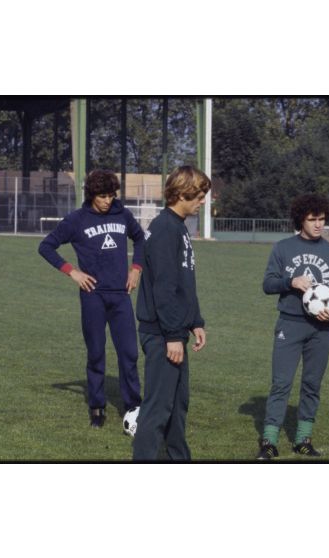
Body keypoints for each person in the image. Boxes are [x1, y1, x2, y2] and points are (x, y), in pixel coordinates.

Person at [38, 170, 144, 429]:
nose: (107, 200)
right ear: (91, 195)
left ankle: (134, 407)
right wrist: (72, 272)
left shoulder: (123, 214)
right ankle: (97, 407)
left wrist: (136, 269)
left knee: (129, 353)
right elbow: (46, 246)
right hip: (92, 296)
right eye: (102, 196)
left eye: (111, 195)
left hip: (121, 297)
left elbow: (141, 239)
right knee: (96, 354)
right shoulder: (76, 220)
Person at [257, 193, 329, 459]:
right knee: (281, 384)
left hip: (321, 330)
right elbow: (267, 284)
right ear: (301, 220)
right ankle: (269, 441)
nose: (318, 224)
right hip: (290, 324)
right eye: (312, 219)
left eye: (322, 219)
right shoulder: (283, 248)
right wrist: (290, 282)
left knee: (312, 384)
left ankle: (303, 440)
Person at [132, 166, 210, 461]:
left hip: (174, 330)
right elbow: (164, 288)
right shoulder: (165, 228)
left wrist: (196, 322)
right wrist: (174, 336)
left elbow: (184, 283)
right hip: (162, 334)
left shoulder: (178, 226)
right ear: (181, 193)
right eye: (199, 195)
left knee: (177, 407)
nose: (202, 201)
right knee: (157, 409)